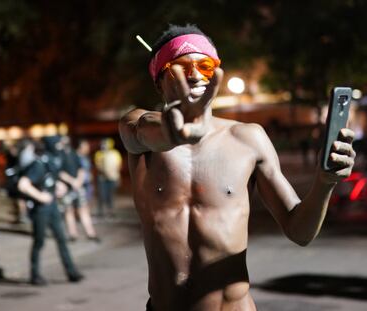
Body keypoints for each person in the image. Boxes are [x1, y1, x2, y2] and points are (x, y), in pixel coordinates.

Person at [119, 24, 356, 311]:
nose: (195, 75)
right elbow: (138, 132)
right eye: (181, 67)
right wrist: (173, 132)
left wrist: (324, 183)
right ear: (158, 80)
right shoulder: (140, 129)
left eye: (205, 66)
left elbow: (300, 232)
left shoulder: (248, 138)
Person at [17, 140, 84, 285]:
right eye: (58, 144)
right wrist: (40, 196)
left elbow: (50, 180)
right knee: (39, 242)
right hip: (40, 210)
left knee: (62, 240)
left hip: (52, 207)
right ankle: (35, 275)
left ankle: (72, 272)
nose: (61, 148)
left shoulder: (49, 162)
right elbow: (23, 184)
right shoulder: (38, 164)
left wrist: (58, 187)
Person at [59, 136, 99, 241]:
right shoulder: (59, 155)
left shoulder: (73, 153)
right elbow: (59, 172)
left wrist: (78, 181)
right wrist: (73, 182)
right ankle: (73, 234)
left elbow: (81, 169)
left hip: (77, 186)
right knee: (69, 211)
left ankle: (91, 233)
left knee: (83, 210)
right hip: (68, 188)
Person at [94, 138, 122, 217]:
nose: (103, 145)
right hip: (102, 178)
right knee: (102, 195)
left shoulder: (115, 153)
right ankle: (101, 212)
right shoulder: (99, 153)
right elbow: (98, 165)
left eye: (105, 143)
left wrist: (116, 175)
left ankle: (111, 211)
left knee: (111, 195)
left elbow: (118, 165)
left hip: (112, 178)